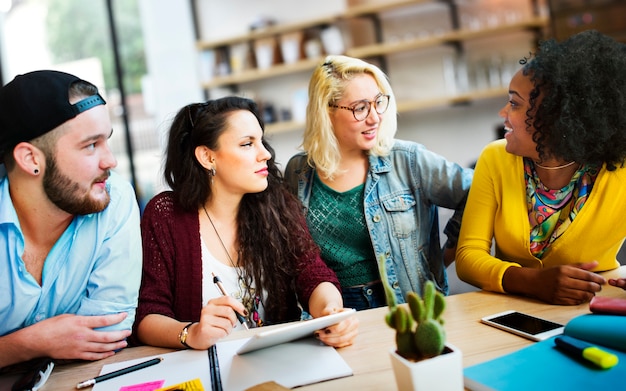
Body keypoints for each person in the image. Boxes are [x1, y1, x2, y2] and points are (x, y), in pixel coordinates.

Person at [133, 96, 358, 350]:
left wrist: (331, 312)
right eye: (247, 144)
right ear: (207, 157)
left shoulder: (276, 202)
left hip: (278, 360)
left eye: (261, 141)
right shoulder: (166, 215)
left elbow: (313, 275)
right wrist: (191, 333)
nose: (265, 154)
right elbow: (147, 315)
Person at [284, 55, 473, 310]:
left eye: (378, 103)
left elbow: (477, 190)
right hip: (335, 311)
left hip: (407, 306)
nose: (375, 118)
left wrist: (443, 256)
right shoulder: (298, 171)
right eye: (360, 108)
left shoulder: (408, 160)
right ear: (326, 111)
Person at [456, 30, 626, 305]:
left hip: (593, 306)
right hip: (513, 308)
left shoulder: (619, 170)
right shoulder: (495, 158)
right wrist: (532, 282)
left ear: (558, 118)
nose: (503, 114)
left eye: (514, 104)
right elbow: (468, 256)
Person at [0, 70, 142, 368]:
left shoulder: (113, 197)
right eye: (91, 145)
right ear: (30, 159)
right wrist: (31, 343)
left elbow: (106, 334)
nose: (110, 161)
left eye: (107, 141)